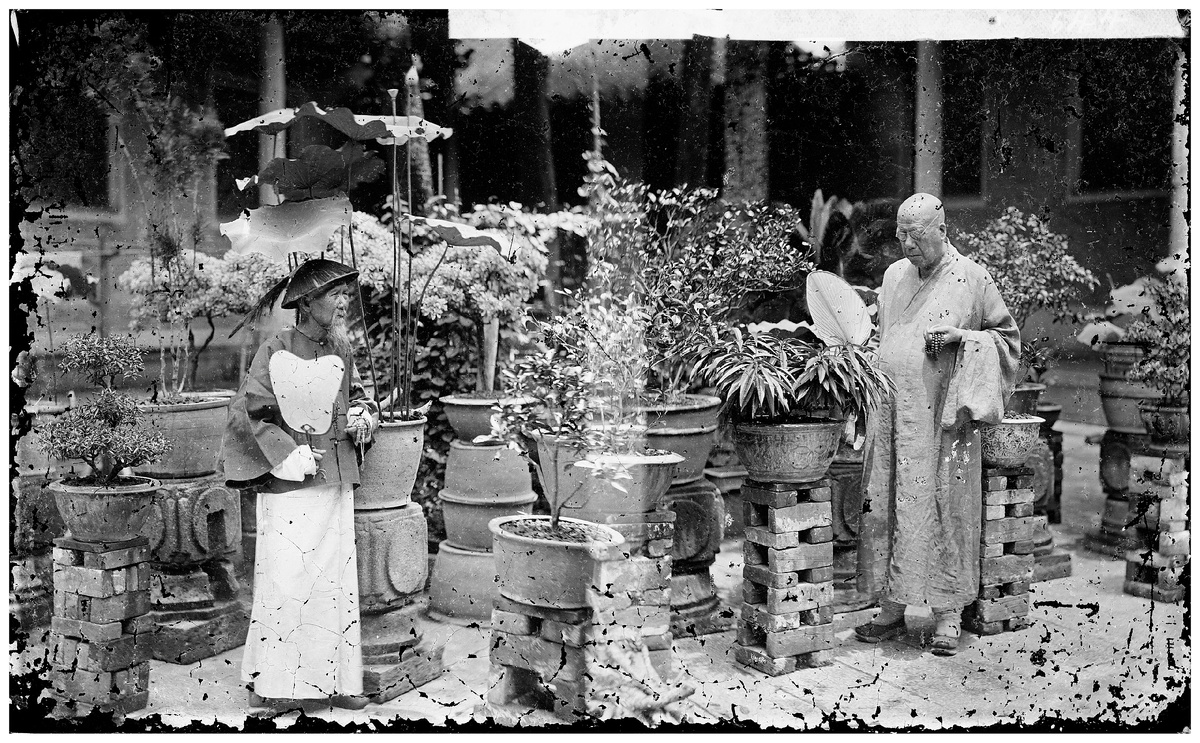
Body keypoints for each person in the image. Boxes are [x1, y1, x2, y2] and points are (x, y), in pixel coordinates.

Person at [854, 193, 1020, 656]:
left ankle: (948, 614)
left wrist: (962, 338)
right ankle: (891, 605)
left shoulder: (972, 278)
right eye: (901, 235)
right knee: (887, 500)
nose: (907, 245)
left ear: (943, 231)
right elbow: (882, 336)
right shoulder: (893, 277)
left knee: (946, 507)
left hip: (942, 420)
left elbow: (1007, 341)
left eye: (917, 236)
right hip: (892, 415)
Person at [219, 258, 379, 710]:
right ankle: (276, 687)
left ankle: (338, 683)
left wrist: (366, 417)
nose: (344, 302)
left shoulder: (342, 349)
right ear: (307, 303)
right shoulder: (274, 348)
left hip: (335, 481)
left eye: (346, 293)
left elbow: (354, 398)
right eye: (335, 295)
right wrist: (287, 455)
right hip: (291, 485)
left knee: (335, 582)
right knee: (288, 579)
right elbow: (251, 410)